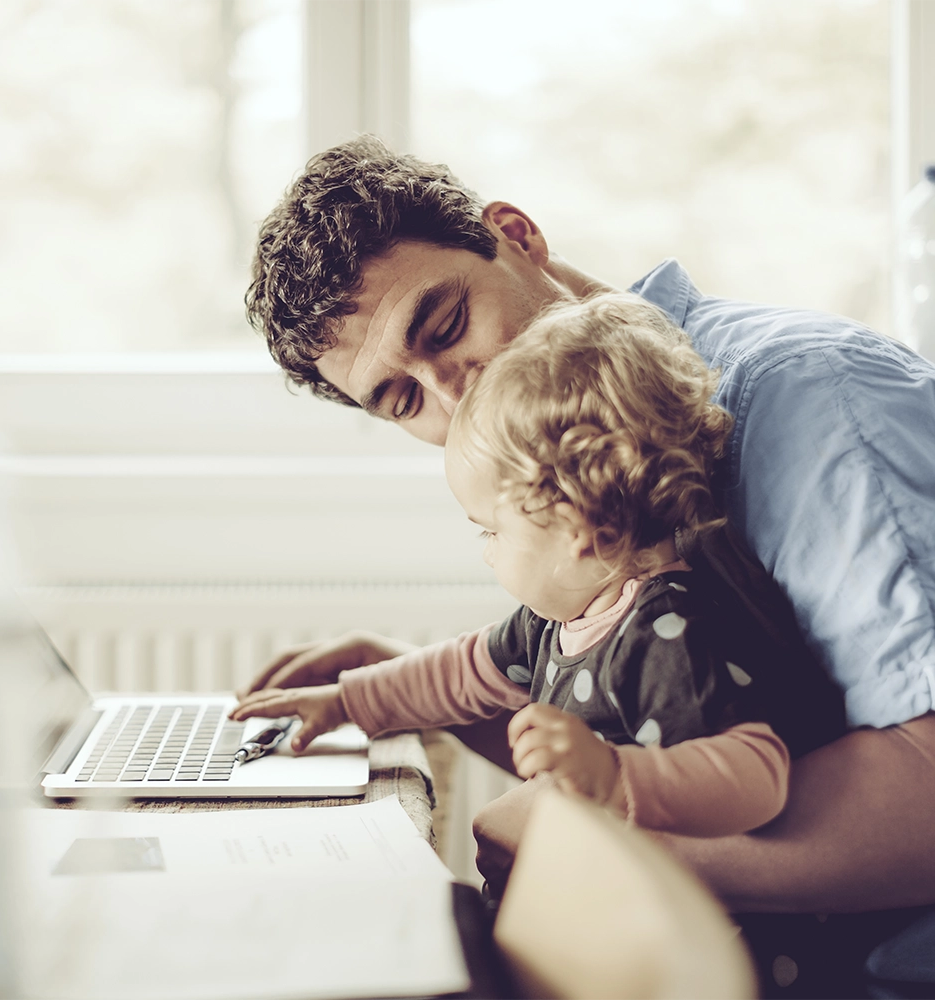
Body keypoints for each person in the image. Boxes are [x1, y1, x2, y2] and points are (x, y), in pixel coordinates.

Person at [243, 136, 935, 995]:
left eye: (447, 325)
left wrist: (586, 847)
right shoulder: (570, 466)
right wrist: (400, 689)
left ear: (517, 235)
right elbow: (657, 734)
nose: (456, 396)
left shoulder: (809, 400)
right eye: (404, 399)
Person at [234, 293, 847, 843]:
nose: (487, 550)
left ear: (584, 533)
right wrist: (346, 702)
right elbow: (461, 672)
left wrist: (614, 775)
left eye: (492, 530)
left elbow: (758, 775)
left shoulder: (670, 634)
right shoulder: (557, 619)